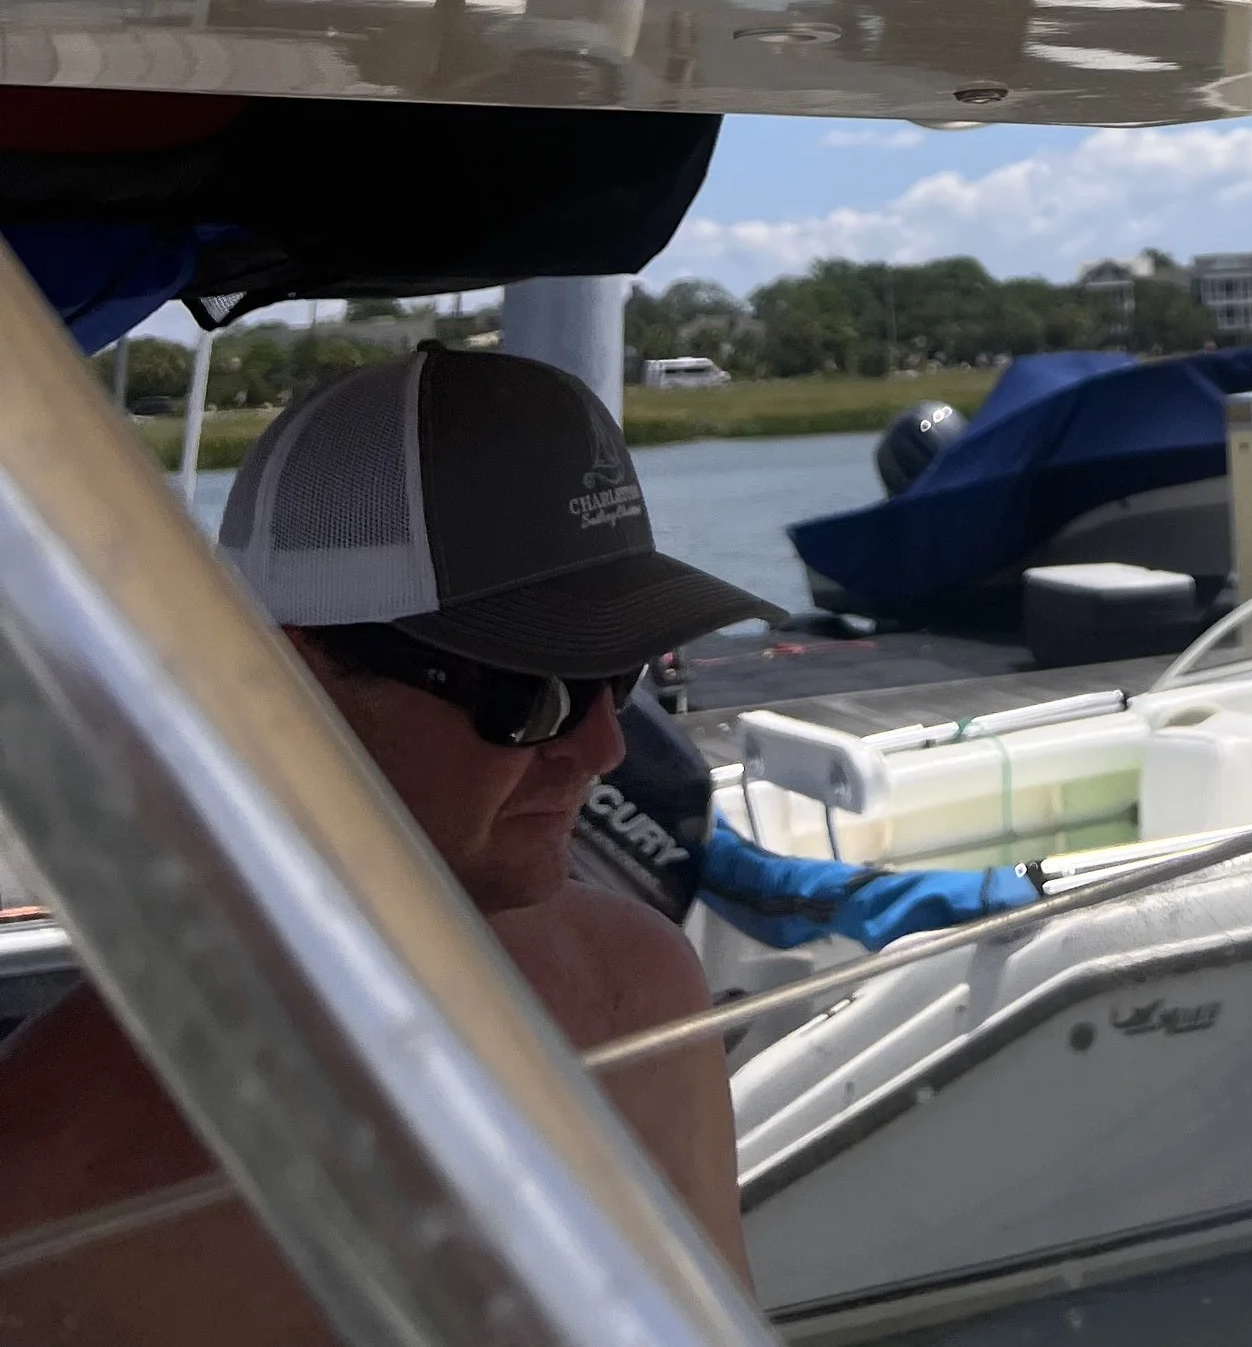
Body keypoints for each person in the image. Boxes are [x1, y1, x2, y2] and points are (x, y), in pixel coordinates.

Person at [0, 344, 779, 1337]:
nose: (603, 744)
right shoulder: (51, 1163)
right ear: (289, 677)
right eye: (529, 695)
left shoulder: (639, 995)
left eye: (620, 676)